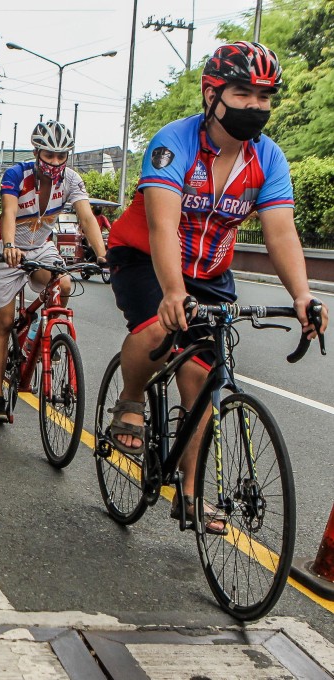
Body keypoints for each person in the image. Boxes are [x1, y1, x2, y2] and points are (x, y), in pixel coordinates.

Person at [104, 42, 328, 532]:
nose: (256, 106)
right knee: (155, 331)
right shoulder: (174, 142)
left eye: (265, 96)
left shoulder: (267, 158)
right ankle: (132, 400)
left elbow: (280, 231)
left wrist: (302, 295)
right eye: (244, 93)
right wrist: (170, 291)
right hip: (145, 257)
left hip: (210, 271)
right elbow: (163, 227)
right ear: (212, 94)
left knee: (203, 380)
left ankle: (189, 492)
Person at [0, 120, 108, 423]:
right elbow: (9, 211)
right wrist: (11, 245)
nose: (55, 162)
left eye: (61, 156)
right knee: (4, 323)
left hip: (42, 247)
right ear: (36, 152)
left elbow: (87, 218)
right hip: (7, 250)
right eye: (48, 155)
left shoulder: (72, 180)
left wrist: (104, 255)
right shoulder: (17, 174)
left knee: (63, 285)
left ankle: (43, 334)